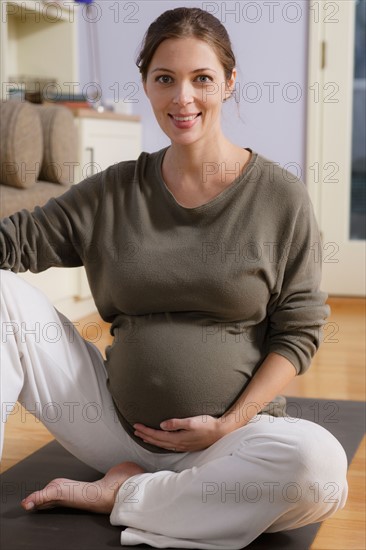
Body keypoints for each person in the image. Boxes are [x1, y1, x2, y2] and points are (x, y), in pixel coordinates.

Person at [0, 7, 348, 549]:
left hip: (227, 440)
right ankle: (178, 496)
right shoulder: (113, 191)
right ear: (146, 83)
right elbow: (15, 241)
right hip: (113, 422)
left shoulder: (281, 198)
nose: (182, 98)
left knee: (319, 469)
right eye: (165, 79)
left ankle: (128, 495)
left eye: (201, 79)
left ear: (229, 83)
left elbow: (299, 331)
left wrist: (230, 424)